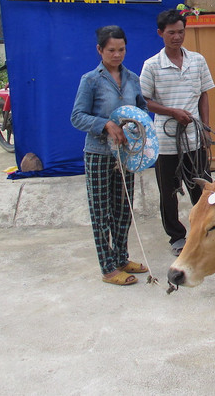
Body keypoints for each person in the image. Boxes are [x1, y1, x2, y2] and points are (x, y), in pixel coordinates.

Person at [71, 25, 149, 286]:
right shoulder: (90, 80)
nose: (117, 55)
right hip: (98, 153)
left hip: (125, 155)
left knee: (123, 209)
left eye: (122, 49)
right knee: (101, 211)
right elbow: (77, 116)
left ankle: (121, 257)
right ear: (100, 50)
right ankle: (108, 268)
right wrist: (106, 124)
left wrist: (137, 127)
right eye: (111, 50)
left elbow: (141, 110)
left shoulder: (132, 79)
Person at [140, 9, 215, 256]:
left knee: (203, 189)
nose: (177, 37)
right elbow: (144, 101)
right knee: (169, 193)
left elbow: (204, 94)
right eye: (171, 32)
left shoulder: (198, 60)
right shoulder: (151, 65)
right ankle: (176, 237)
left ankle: (207, 230)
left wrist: (205, 126)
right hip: (165, 141)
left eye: (181, 32)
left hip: (194, 138)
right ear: (160, 33)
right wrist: (171, 112)